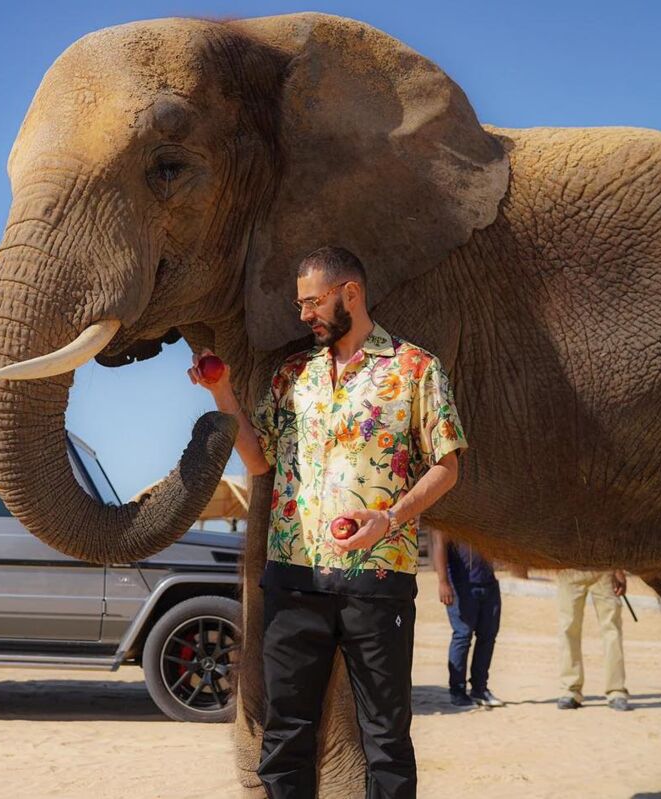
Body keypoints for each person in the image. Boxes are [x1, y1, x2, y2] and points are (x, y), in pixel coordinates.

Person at [189, 245, 468, 799]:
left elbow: (447, 466)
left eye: (313, 302)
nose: (304, 315)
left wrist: (390, 517)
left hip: (378, 580)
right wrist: (221, 392)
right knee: (287, 733)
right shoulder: (294, 374)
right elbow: (259, 459)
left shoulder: (415, 369)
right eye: (300, 305)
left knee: (386, 737)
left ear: (350, 293)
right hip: (294, 577)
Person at [430, 529, 504, 708]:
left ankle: (480, 688)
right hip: (461, 586)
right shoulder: (452, 514)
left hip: (488, 583)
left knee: (488, 637)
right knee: (462, 635)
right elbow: (439, 544)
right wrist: (443, 582)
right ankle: (458, 691)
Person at [555, 568, 630, 711]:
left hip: (604, 567)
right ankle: (570, 690)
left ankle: (616, 690)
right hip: (569, 567)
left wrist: (618, 568)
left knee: (612, 629)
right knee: (567, 628)